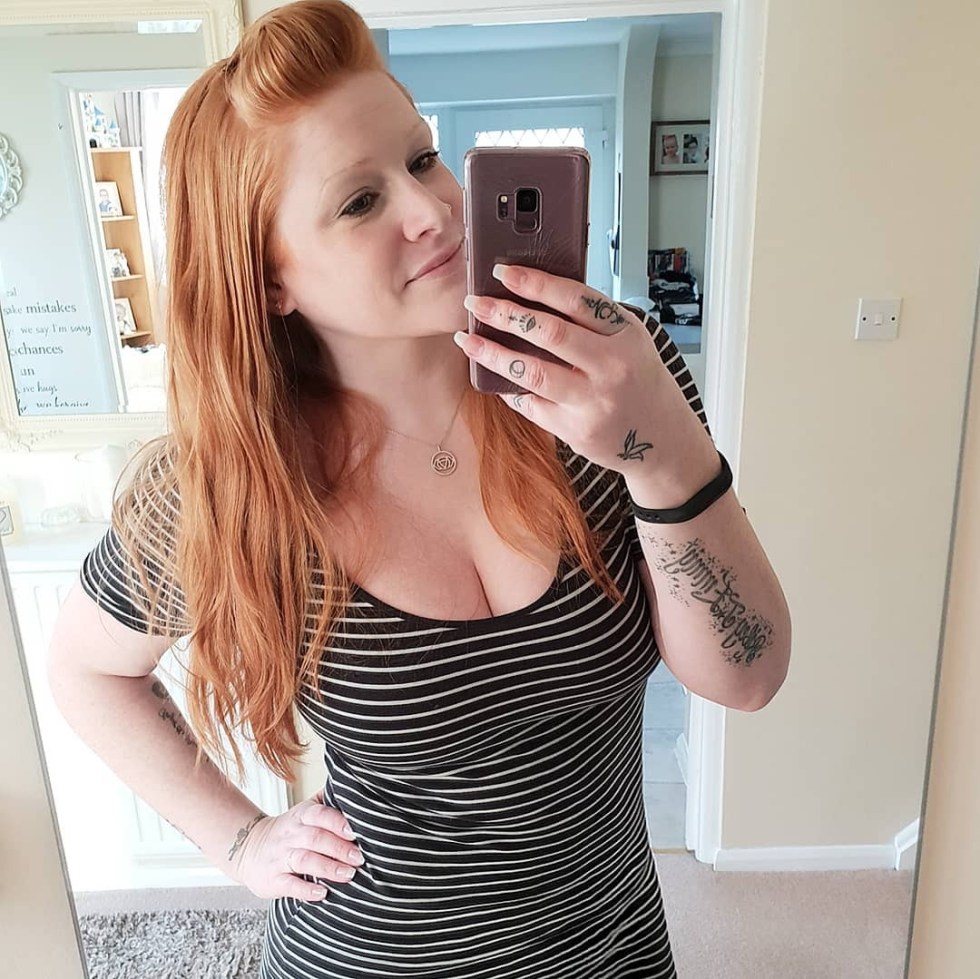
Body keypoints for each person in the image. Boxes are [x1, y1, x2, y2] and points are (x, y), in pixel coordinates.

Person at [47, 3, 791, 978]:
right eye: (360, 201)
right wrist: (239, 841)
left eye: (422, 157)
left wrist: (662, 455)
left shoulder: (607, 381)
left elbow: (746, 676)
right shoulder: (226, 483)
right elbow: (86, 669)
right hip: (367, 954)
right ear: (269, 281)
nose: (434, 208)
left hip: (612, 945)